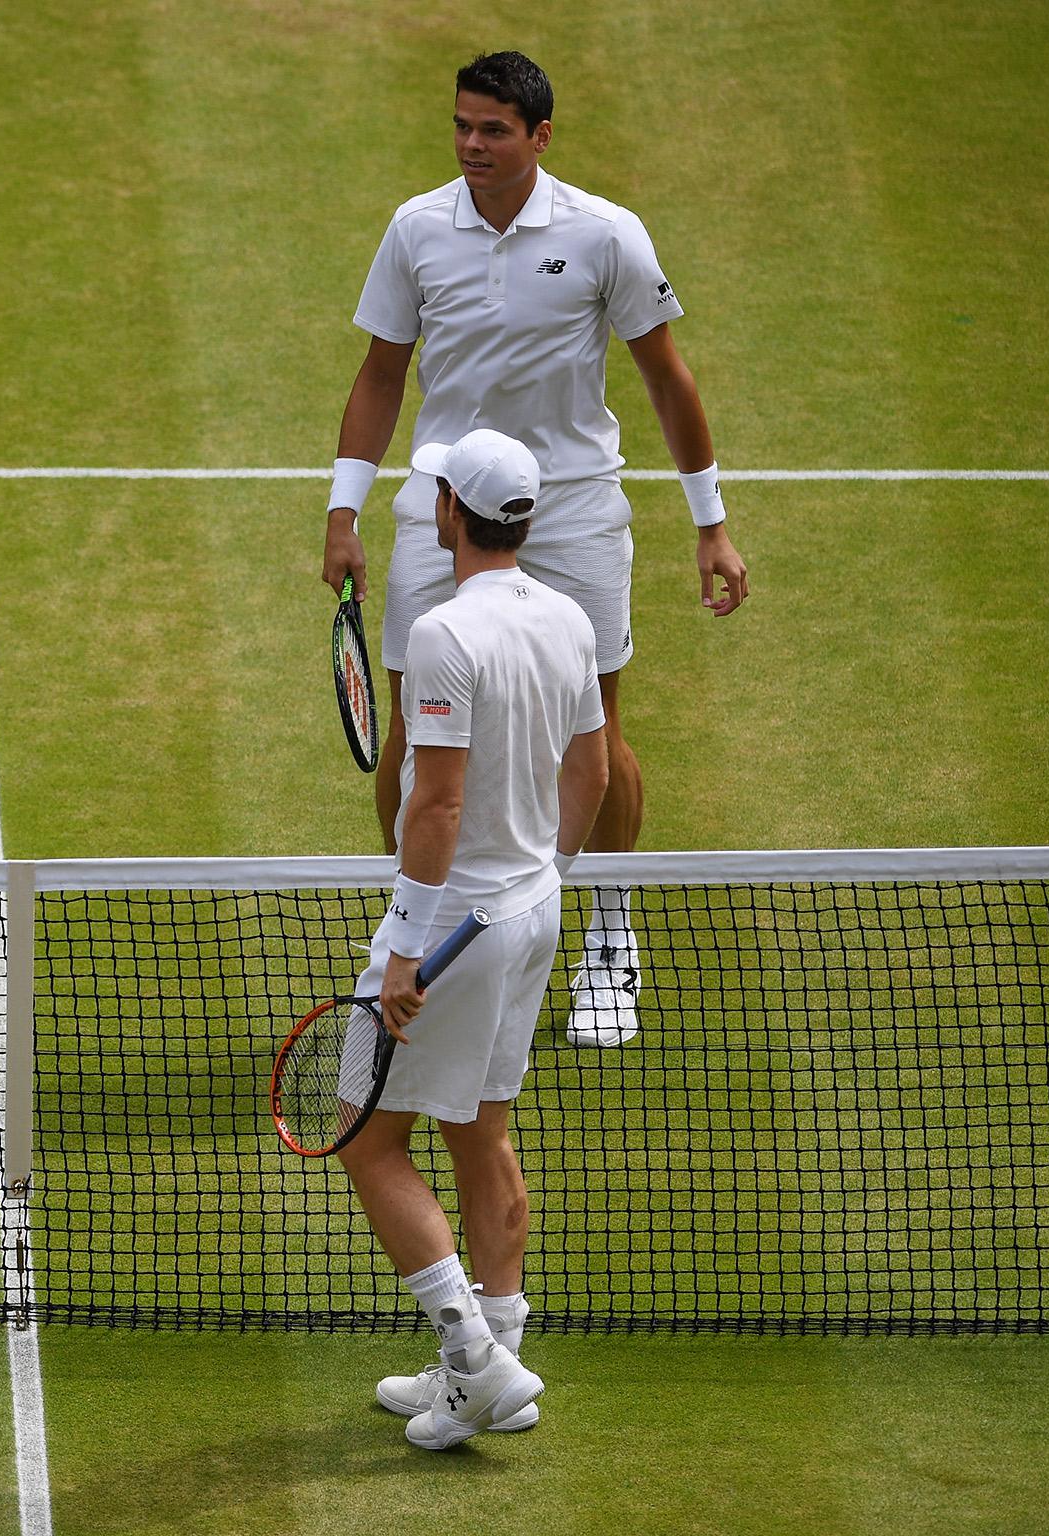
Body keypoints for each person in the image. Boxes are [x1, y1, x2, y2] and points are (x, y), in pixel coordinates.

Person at [319, 51, 750, 1046]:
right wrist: (343, 513)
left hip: (569, 511)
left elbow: (665, 377)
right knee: (409, 737)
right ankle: (407, 941)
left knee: (588, 731)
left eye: (492, 130)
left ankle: (607, 936)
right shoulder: (415, 227)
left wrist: (710, 523)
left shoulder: (604, 235)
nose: (471, 145)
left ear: (538, 137)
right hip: (442, 506)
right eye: (461, 126)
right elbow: (381, 372)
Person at [334, 428, 609, 1451]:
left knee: (367, 1142)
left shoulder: (447, 633)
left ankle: (473, 1360)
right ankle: (493, 1370)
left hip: (452, 925)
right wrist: (546, 875)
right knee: (478, 1134)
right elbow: (590, 771)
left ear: (451, 510)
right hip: (530, 907)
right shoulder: (570, 620)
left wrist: (405, 946)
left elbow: (435, 807)